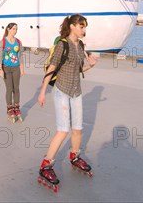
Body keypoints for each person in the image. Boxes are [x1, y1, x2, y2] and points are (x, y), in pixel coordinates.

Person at [37, 14, 97, 189]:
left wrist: (91, 65)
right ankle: (45, 165)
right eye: (81, 26)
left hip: (76, 92)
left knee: (77, 129)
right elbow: (52, 68)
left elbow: (78, 70)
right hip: (61, 91)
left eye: (85, 27)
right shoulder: (62, 45)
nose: (83, 30)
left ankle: (74, 156)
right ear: (72, 26)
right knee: (63, 130)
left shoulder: (80, 45)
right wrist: (42, 92)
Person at [0, 23, 25, 123]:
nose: (15, 31)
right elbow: (0, 56)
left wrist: (22, 68)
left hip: (16, 68)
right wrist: (0, 69)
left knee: (16, 88)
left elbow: (20, 55)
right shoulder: (3, 42)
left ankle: (16, 107)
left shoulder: (18, 42)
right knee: (9, 88)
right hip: (6, 68)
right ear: (8, 29)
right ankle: (10, 109)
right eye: (13, 29)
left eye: (16, 29)